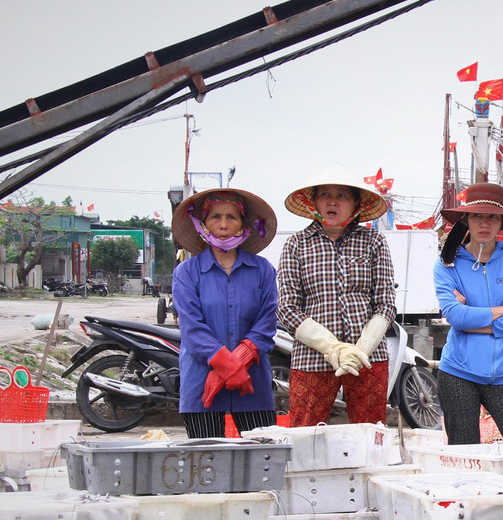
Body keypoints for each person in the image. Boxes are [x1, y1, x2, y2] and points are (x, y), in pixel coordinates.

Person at [278, 165, 397, 426]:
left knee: (369, 432)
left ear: (356, 204)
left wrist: (360, 349)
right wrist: (332, 348)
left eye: (342, 195)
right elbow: (286, 307)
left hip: (368, 357)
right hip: (312, 356)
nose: (333, 201)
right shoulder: (296, 244)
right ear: (315, 203)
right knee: (304, 431)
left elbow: (386, 303)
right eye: (325, 195)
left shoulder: (373, 241)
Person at [433, 182, 503, 447]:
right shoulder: (447, 264)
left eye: (492, 216)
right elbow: (456, 317)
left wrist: (478, 323)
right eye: (477, 216)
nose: (484, 224)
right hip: (458, 372)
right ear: (466, 219)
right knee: (465, 457)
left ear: (502, 221)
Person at [170, 186, 280, 438]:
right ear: (204, 224)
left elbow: (266, 326)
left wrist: (234, 366)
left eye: (232, 217)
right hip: (201, 380)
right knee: (206, 465)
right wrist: (227, 367)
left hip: (252, 384)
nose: (223, 224)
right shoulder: (186, 272)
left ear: (243, 224)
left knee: (259, 461)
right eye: (215, 217)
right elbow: (192, 329)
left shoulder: (263, 270)